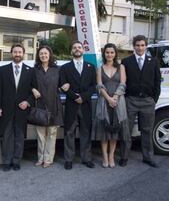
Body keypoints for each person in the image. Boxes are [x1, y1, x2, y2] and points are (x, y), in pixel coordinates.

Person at [120, 35, 161, 168]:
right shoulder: (126, 61)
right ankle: (124, 156)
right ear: (134, 46)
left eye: (142, 45)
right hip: (130, 100)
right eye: (137, 45)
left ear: (146, 46)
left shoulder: (153, 61)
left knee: (147, 130)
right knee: (127, 130)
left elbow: (157, 83)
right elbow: (123, 82)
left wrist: (153, 100)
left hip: (148, 102)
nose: (140, 47)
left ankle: (147, 157)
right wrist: (126, 98)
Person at [0, 43, 36, 171]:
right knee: (6, 136)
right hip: (6, 110)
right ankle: (7, 161)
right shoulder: (3, 69)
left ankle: (17, 160)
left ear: (23, 54)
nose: (17, 54)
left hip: (22, 110)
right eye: (15, 52)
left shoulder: (30, 70)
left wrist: (28, 102)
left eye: (19, 52)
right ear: (11, 53)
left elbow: (34, 91)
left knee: (19, 136)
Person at [59, 41, 96, 170]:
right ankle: (68, 159)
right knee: (69, 133)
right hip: (71, 105)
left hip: (86, 105)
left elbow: (93, 86)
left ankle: (87, 158)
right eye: (74, 47)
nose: (77, 49)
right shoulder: (64, 68)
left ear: (83, 50)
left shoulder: (91, 67)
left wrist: (83, 97)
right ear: (71, 51)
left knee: (86, 132)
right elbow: (63, 86)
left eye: (79, 47)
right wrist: (75, 97)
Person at [93, 43, 130, 168]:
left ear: (115, 54)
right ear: (104, 54)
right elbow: (99, 86)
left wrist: (115, 97)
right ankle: (104, 157)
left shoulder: (121, 67)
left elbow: (123, 83)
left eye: (112, 52)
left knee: (114, 131)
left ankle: (111, 156)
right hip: (104, 102)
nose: (109, 54)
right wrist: (108, 98)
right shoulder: (100, 68)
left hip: (118, 103)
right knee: (104, 132)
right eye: (107, 52)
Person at [31, 45, 63, 168]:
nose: (43, 55)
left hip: (54, 104)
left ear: (50, 55)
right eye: (41, 54)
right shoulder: (34, 70)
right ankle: (40, 158)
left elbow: (62, 85)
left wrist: (64, 86)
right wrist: (33, 89)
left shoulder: (57, 69)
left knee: (51, 133)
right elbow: (28, 84)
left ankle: (48, 159)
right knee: (40, 134)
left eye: (45, 53)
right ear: (38, 56)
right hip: (39, 104)